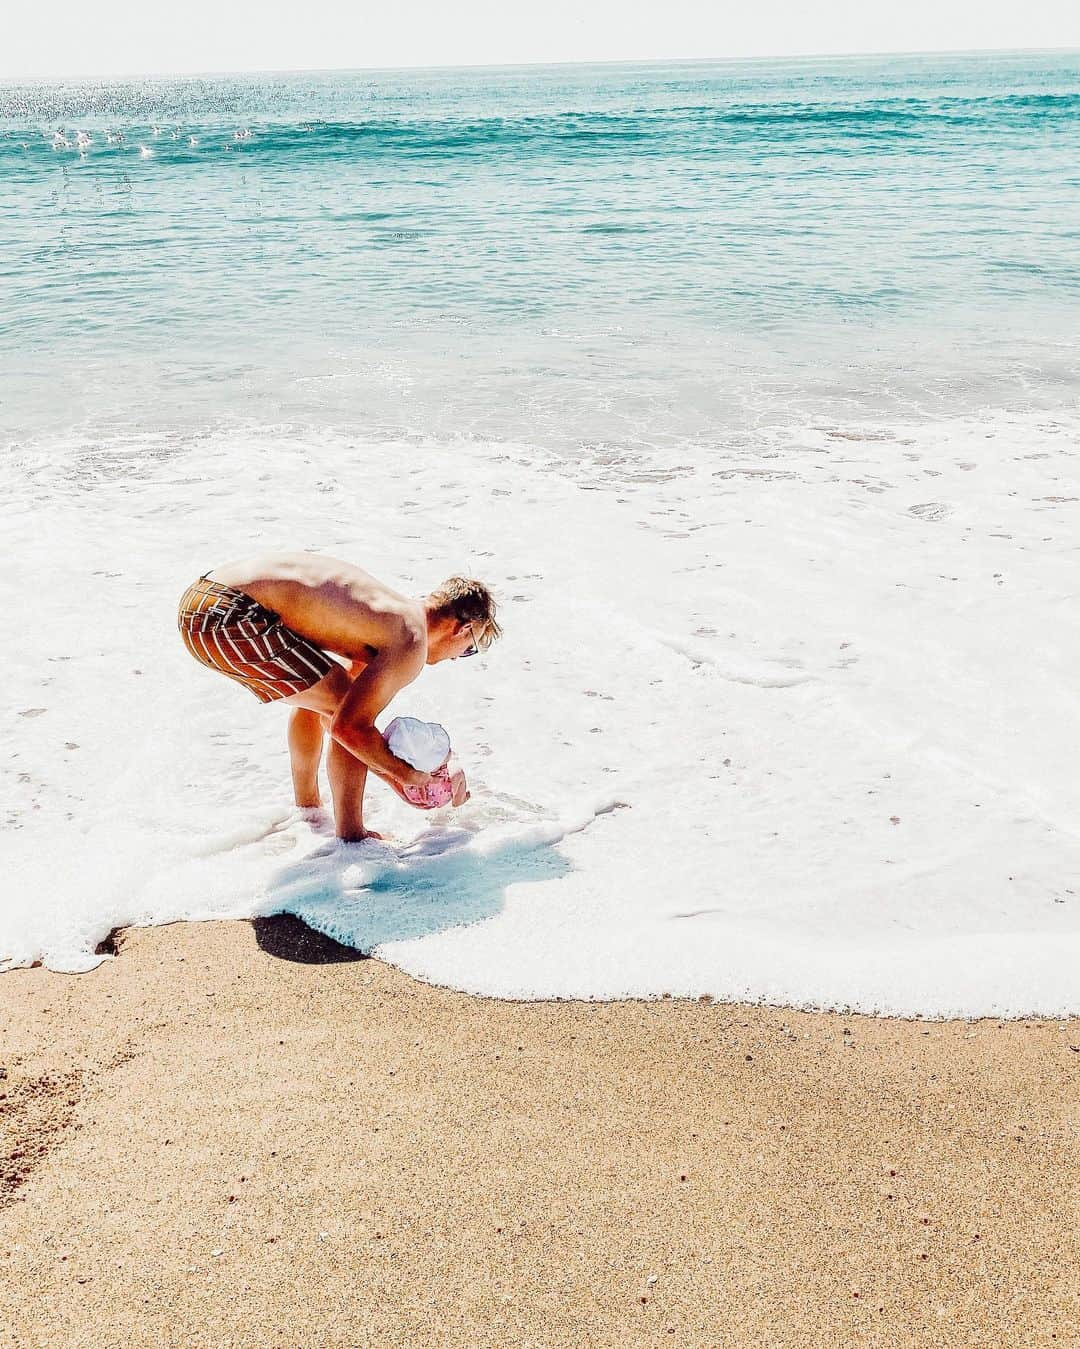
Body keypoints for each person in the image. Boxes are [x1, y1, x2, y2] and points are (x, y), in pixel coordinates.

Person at [177, 553, 500, 841]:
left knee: (324, 698)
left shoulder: (384, 615)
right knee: (341, 708)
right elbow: (350, 728)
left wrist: (399, 772)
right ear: (462, 628)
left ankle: (308, 807)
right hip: (229, 616)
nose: (459, 658)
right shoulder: (409, 638)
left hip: (200, 599)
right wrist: (407, 777)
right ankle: (351, 836)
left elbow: (329, 711)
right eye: (470, 648)